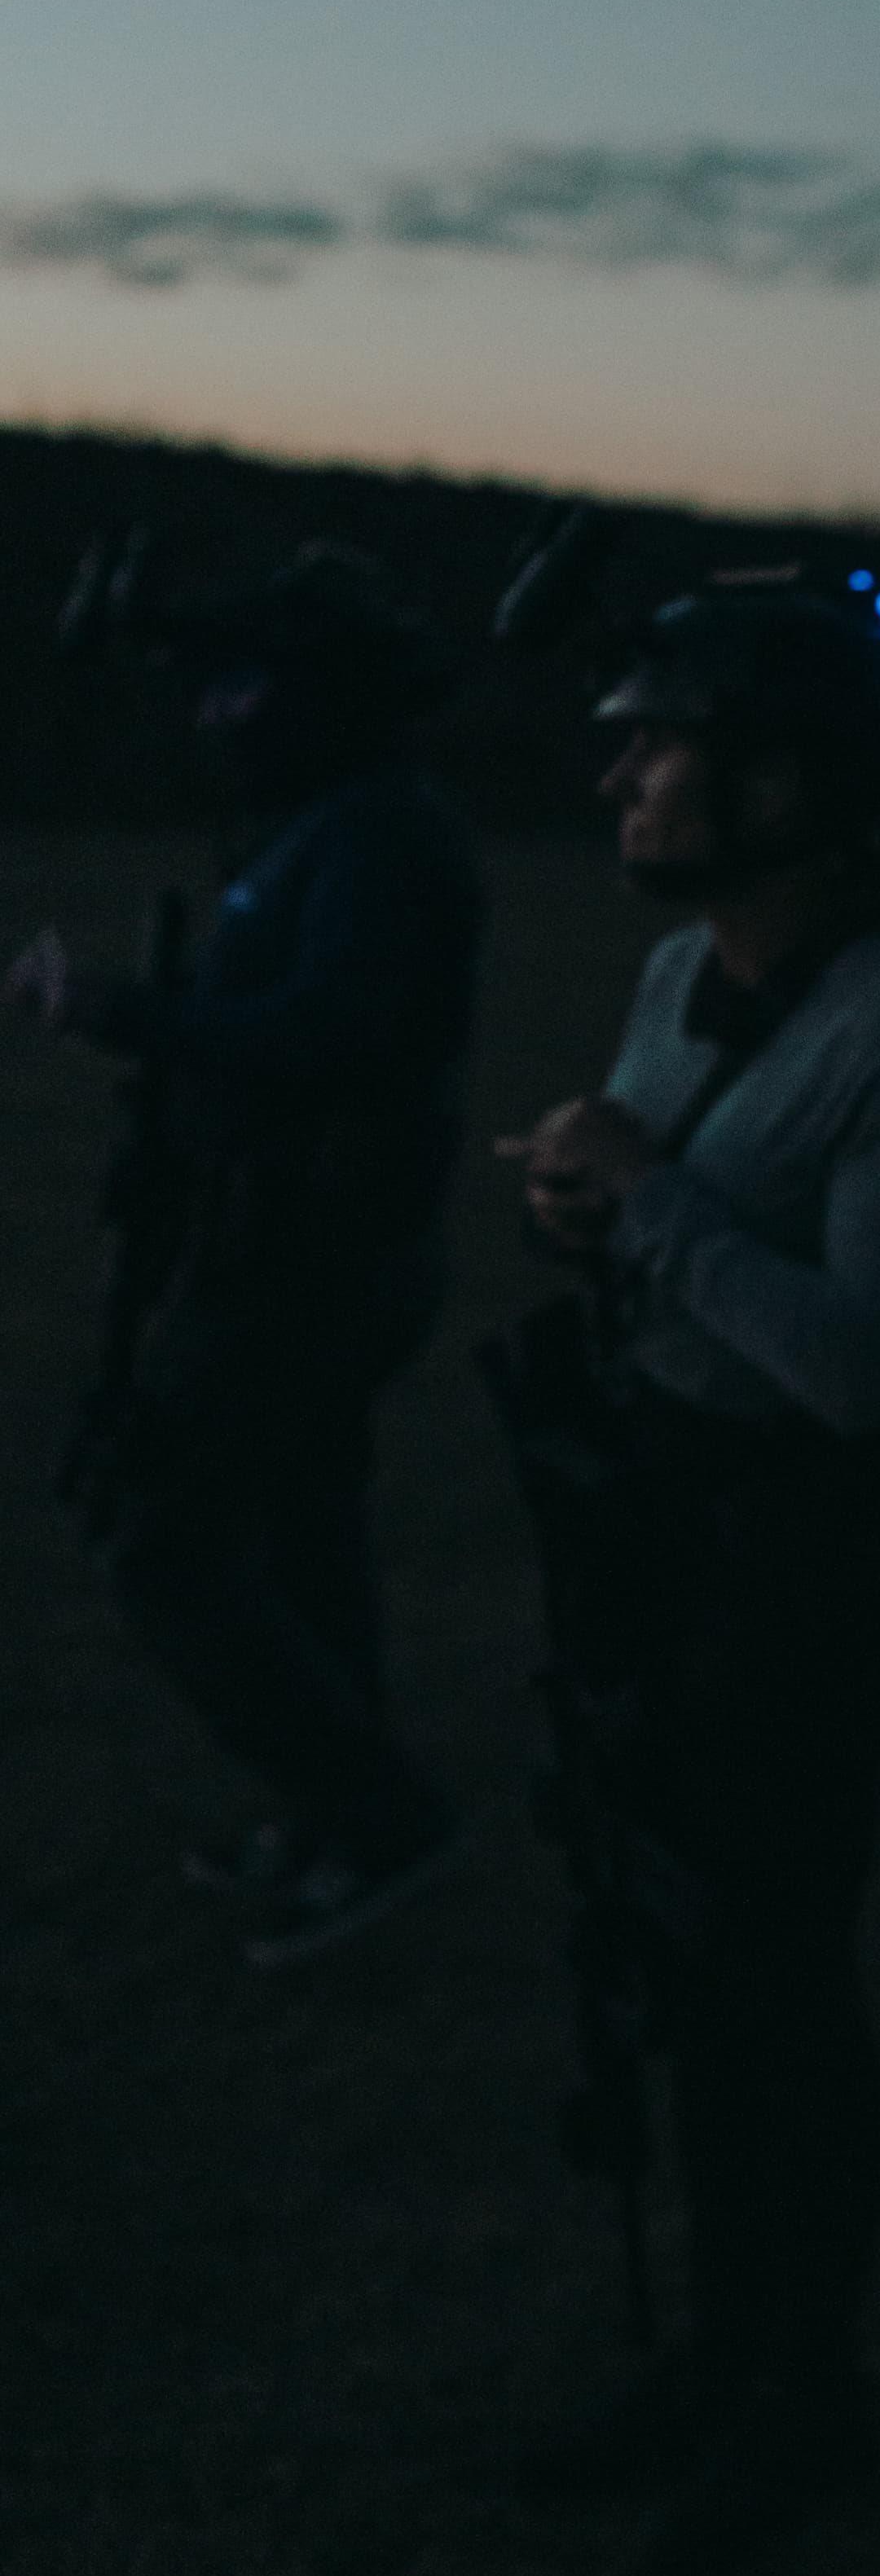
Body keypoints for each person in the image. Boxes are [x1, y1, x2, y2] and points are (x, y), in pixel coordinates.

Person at [495, 582, 880, 2572]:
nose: (618, 773)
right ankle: (715, 2350)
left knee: (779, 1976)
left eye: (655, 742)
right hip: (654, 1520)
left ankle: (806, 2389)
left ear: (779, 779)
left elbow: (861, 1368)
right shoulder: (689, 969)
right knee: (681, 1955)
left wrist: (647, 1203)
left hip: (790, 1550)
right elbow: (648, 1193)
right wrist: (583, 1203)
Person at [4, 543, 482, 1965]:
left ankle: (376, 1813)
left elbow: (324, 1037)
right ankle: (340, 1819)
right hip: (275, 1237)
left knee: (170, 1541)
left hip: (315, 1257)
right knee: (299, 1531)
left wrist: (114, 1009)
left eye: (243, 689)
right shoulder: (318, 819)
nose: (214, 715)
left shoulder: (380, 835)